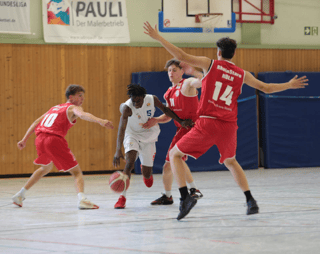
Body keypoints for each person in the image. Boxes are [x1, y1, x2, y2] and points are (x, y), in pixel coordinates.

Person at [143, 21, 308, 220]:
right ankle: (250, 200)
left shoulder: (210, 64)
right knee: (231, 161)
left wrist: (158, 37)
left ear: (218, 52)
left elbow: (181, 57)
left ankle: (185, 197)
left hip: (208, 122)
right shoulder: (242, 74)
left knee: (175, 154)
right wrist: (289, 85)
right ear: (234, 54)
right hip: (229, 126)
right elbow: (266, 88)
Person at [13, 84, 114, 209]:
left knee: (45, 168)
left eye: (83, 96)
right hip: (53, 140)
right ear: (71, 97)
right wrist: (101, 121)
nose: (82, 99)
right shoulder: (73, 108)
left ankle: (19, 195)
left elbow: (36, 122)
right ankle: (83, 199)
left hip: (40, 140)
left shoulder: (54, 108)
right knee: (77, 172)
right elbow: (82, 115)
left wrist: (24, 139)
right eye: (80, 96)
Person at [112, 84, 193, 209]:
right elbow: (121, 129)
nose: (136, 104)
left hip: (148, 135)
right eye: (133, 101)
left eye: (138, 101)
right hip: (132, 135)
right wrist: (118, 150)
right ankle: (122, 198)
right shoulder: (127, 108)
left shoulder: (152, 99)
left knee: (147, 175)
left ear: (143, 97)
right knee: (129, 164)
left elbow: (166, 110)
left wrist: (181, 121)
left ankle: (146, 172)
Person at [142, 59, 203, 205]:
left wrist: (193, 71)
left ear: (182, 72)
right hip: (181, 129)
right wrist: (156, 119)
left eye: (174, 70)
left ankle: (193, 189)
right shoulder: (168, 93)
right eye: (169, 70)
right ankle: (169, 196)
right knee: (169, 165)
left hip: (193, 127)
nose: (171, 73)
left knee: (173, 160)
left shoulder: (187, 84)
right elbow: (169, 116)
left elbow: (202, 81)